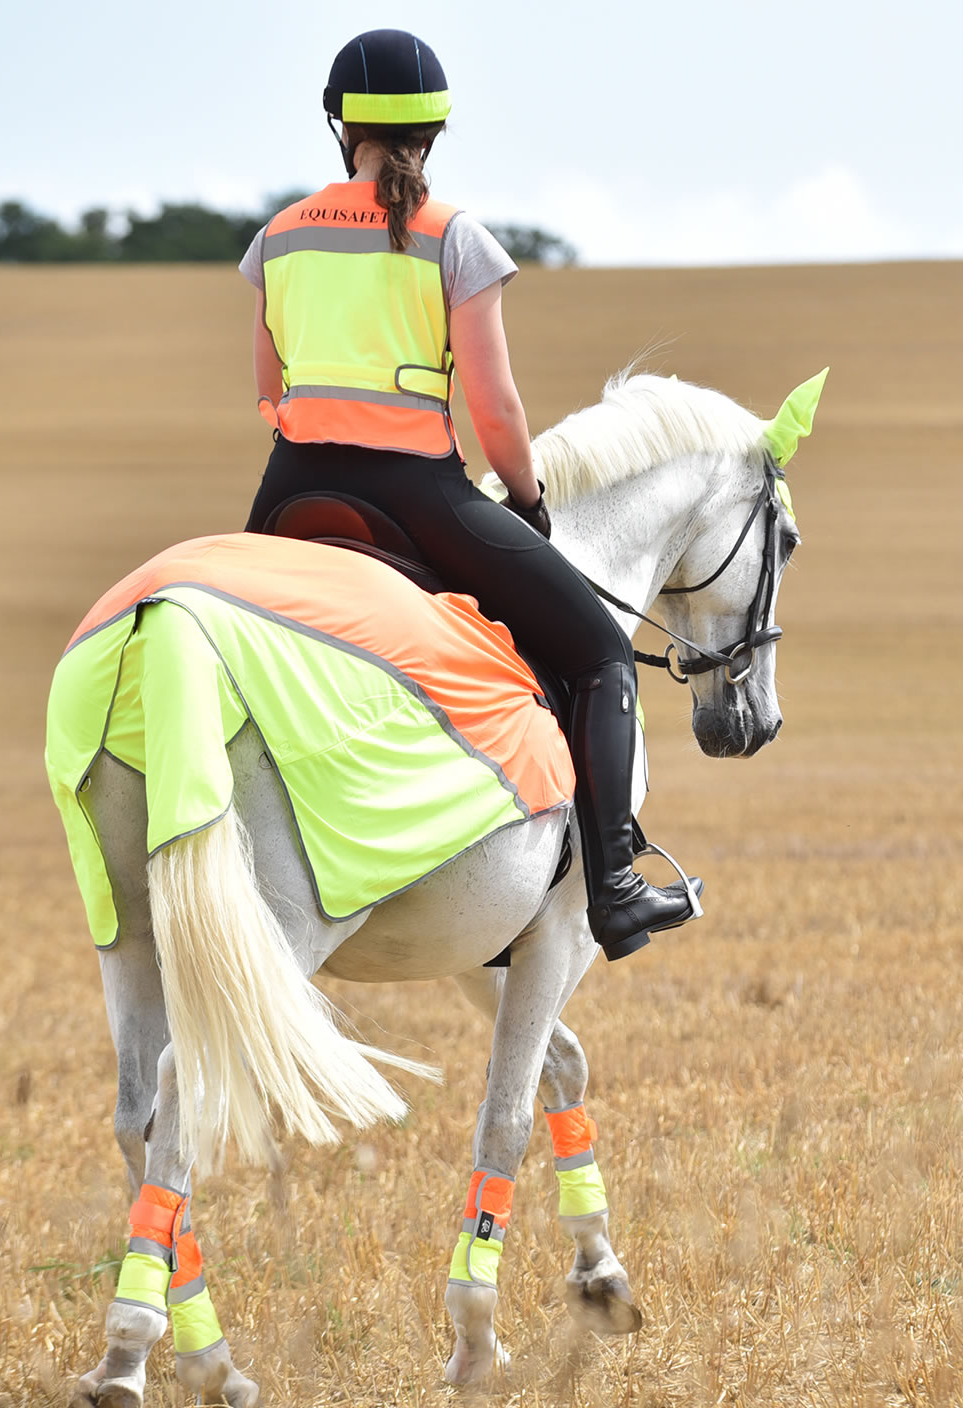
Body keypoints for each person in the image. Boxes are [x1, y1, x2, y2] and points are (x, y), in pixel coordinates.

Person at [239, 29, 698, 960]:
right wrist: (526, 502)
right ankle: (612, 886)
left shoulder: (278, 236)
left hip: (288, 495)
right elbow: (493, 404)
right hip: (414, 496)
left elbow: (266, 389)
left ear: (341, 124)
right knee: (603, 651)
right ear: (434, 131)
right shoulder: (456, 237)